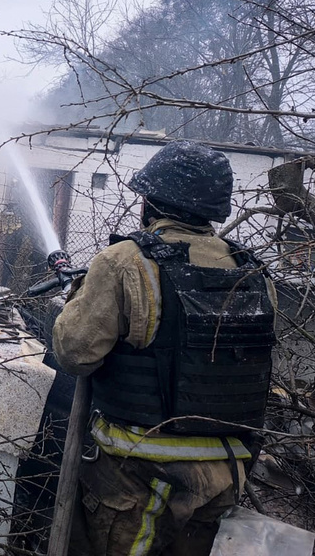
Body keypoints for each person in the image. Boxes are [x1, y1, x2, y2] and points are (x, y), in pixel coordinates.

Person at [52, 140, 276, 556]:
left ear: (151, 202)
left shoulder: (126, 261)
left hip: (140, 476)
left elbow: (74, 353)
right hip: (222, 476)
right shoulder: (253, 271)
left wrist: (79, 298)